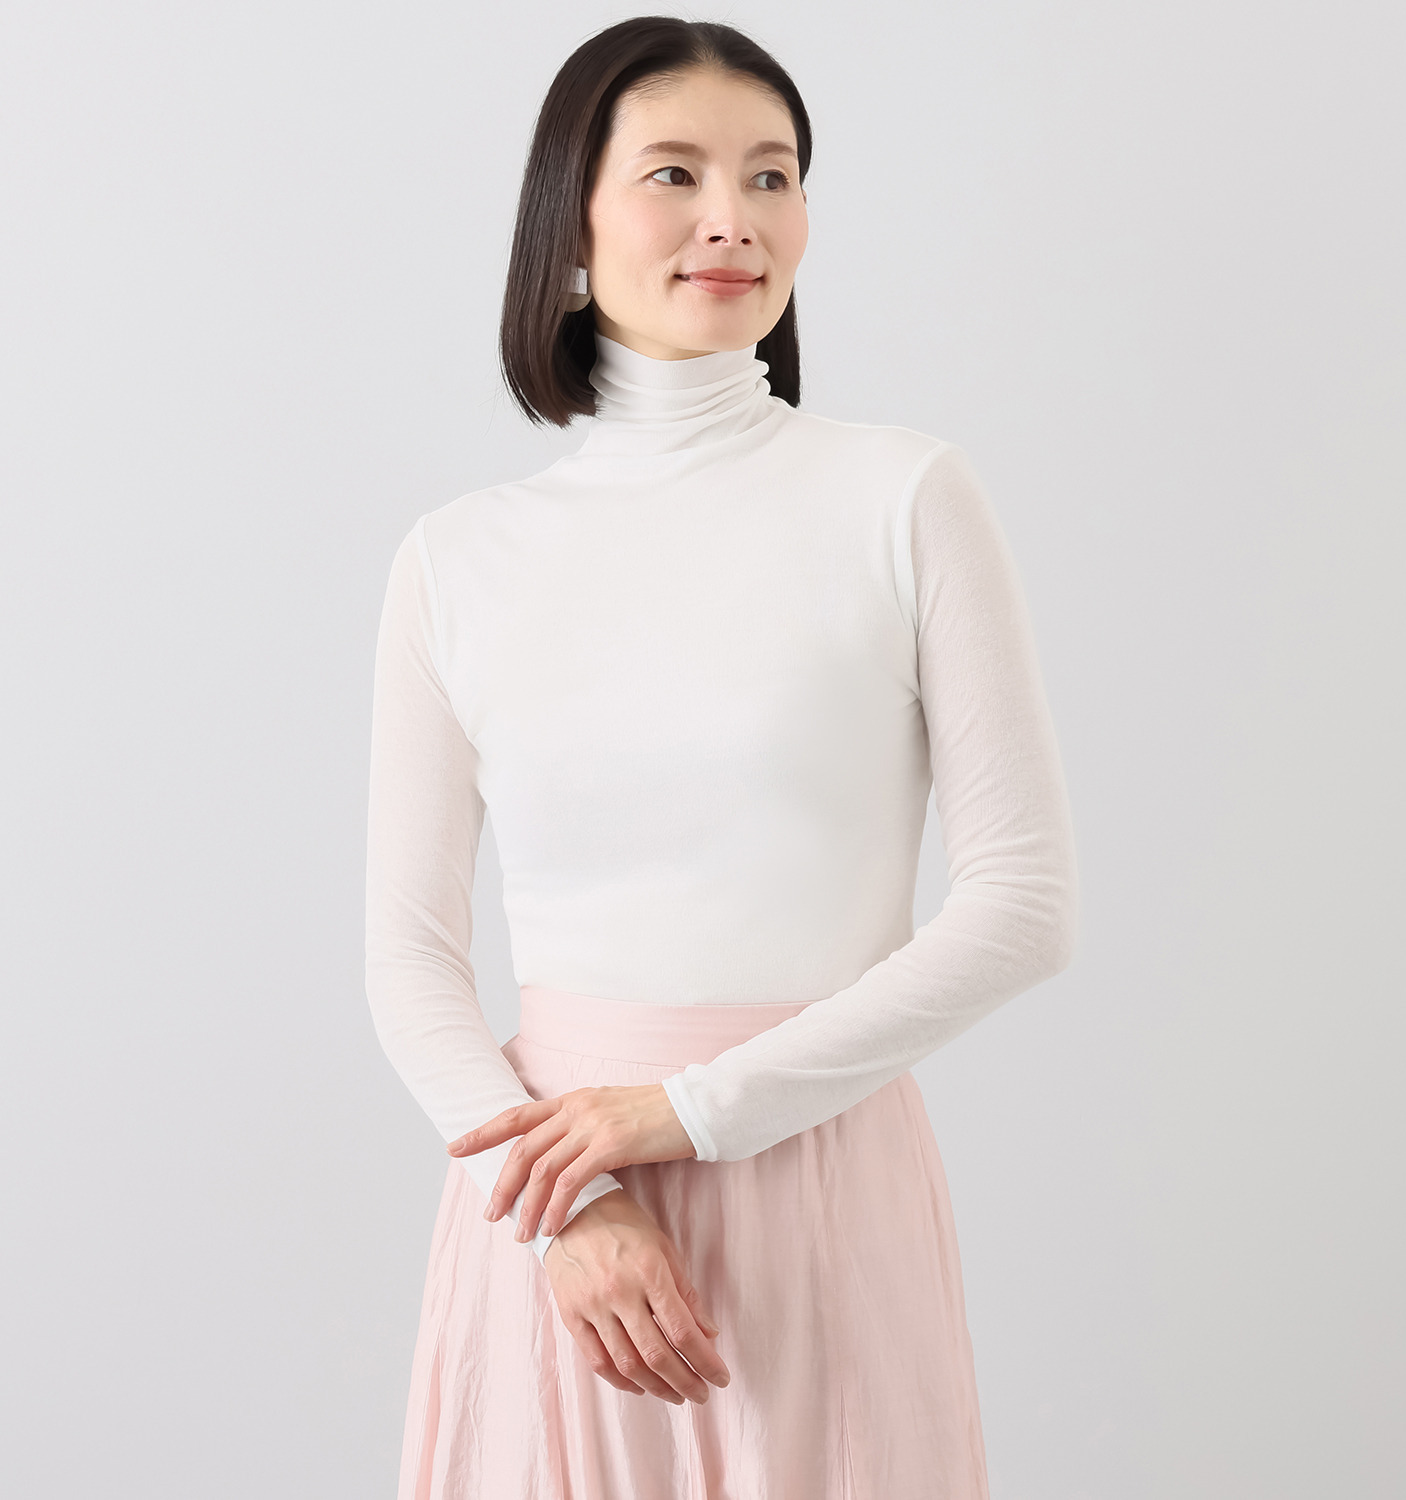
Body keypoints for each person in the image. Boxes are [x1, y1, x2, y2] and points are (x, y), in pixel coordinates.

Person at [364, 15, 1079, 1498]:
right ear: (569, 225)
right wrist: (571, 1212)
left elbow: (1024, 908)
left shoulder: (904, 499)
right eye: (675, 174)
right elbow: (409, 952)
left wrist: (688, 1114)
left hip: (817, 1173)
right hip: (558, 1212)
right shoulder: (457, 562)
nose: (732, 219)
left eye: (772, 176)